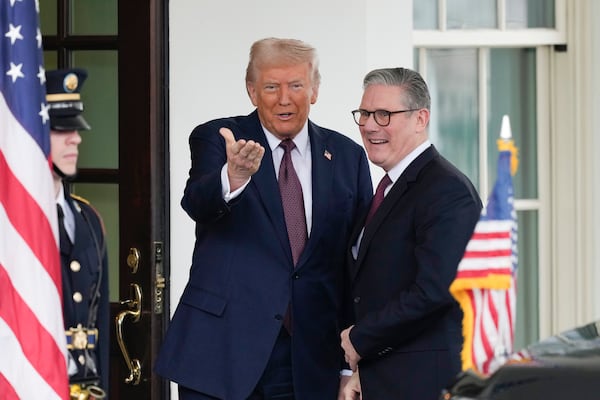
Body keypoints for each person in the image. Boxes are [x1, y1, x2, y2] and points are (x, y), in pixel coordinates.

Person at [155, 37, 373, 400]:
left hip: (309, 359)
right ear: (252, 91)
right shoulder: (219, 138)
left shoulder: (347, 156)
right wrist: (233, 178)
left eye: (296, 86)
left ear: (315, 90)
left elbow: (355, 263)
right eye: (271, 86)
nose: (283, 98)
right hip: (220, 354)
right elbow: (198, 202)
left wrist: (349, 363)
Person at [340, 67, 482, 400]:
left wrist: (361, 338)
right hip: (382, 379)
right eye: (365, 113)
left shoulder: (447, 190)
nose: (370, 125)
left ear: (421, 119)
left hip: (423, 384)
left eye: (384, 114)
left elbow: (435, 289)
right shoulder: (387, 188)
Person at [47, 68, 109, 399]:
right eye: (62, 129)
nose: (76, 138)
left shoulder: (87, 219)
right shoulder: (10, 224)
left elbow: (97, 321)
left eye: (76, 128)